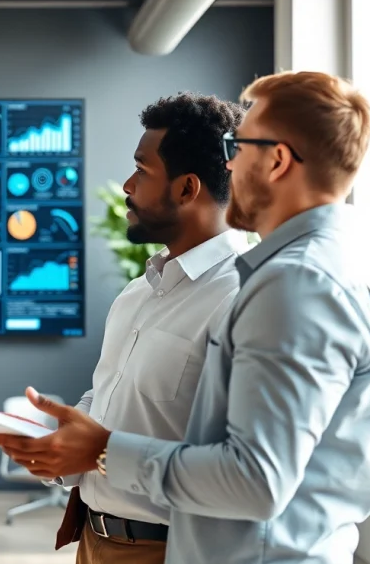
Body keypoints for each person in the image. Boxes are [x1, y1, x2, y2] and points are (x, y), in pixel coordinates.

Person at [0, 71, 370, 564]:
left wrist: (102, 451)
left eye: (238, 148)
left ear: (278, 160)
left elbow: (256, 480)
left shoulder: (295, 284)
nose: (229, 164)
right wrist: (69, 449)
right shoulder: (312, 270)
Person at [53, 92, 248, 564]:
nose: (126, 185)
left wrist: (99, 450)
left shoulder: (244, 297)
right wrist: (57, 440)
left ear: (187, 189)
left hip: (171, 549)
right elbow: (108, 397)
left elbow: (241, 464)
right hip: (93, 539)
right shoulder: (138, 292)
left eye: (141, 170)